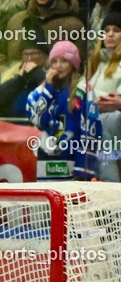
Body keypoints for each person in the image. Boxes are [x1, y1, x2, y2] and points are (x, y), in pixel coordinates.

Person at [27, 40, 100, 179]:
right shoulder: (45, 88)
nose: (58, 66)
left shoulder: (83, 89)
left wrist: (83, 169)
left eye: (64, 61)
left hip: (72, 166)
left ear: (73, 64)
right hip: (46, 164)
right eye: (54, 61)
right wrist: (48, 90)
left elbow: (91, 130)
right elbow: (36, 120)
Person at [88, 8, 121, 180]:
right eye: (106, 31)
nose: (110, 35)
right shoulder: (96, 63)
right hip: (94, 131)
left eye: (116, 30)